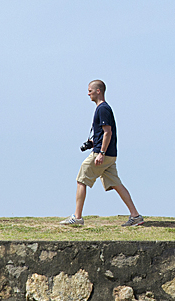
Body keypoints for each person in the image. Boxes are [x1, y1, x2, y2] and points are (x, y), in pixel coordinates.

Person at [60, 80, 144, 226]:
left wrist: (101, 152)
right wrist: (94, 144)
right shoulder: (103, 108)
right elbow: (104, 134)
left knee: (81, 179)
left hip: (102, 154)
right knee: (117, 184)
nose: (88, 93)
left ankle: (77, 217)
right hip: (109, 155)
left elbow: (108, 132)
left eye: (90, 90)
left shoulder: (102, 109)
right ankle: (135, 216)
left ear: (98, 91)